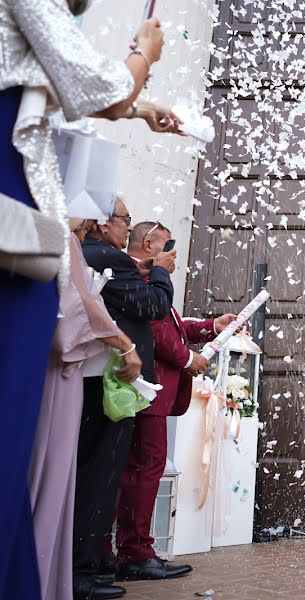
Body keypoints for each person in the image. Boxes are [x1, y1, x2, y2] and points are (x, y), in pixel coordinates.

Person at [0, 1, 176, 596]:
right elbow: (99, 87)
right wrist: (144, 53)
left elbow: (77, 85)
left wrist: (143, 104)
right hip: (15, 233)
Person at [29, 204, 142, 600]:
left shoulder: (75, 245)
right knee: (63, 469)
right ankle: (54, 571)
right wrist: (124, 344)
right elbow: (78, 307)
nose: (125, 227)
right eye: (123, 219)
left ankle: (60, 569)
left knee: (68, 470)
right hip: (64, 370)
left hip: (68, 370)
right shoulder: (70, 242)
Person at [112, 221, 234, 580]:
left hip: (146, 392)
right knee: (144, 469)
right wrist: (186, 360)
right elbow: (156, 330)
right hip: (148, 390)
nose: (174, 256)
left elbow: (173, 325)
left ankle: (120, 548)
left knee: (136, 469)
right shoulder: (144, 276)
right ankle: (135, 551)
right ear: (149, 243)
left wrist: (212, 326)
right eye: (169, 246)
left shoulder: (147, 275)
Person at [76, 199, 174, 599]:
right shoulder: (107, 257)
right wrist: (163, 278)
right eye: (124, 220)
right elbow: (152, 307)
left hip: (101, 377)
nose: (124, 226)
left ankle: (94, 562)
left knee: (104, 472)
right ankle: (83, 568)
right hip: (112, 378)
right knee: (102, 474)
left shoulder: (94, 255)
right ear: (103, 223)